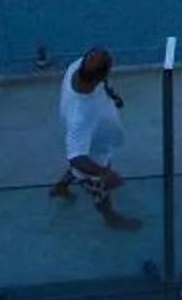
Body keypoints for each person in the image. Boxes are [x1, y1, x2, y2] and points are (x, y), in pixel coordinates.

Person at [49, 46, 139, 229]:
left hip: (95, 140)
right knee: (99, 189)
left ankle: (61, 187)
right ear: (101, 76)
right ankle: (111, 219)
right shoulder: (81, 117)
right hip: (93, 155)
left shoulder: (77, 67)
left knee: (76, 172)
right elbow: (76, 157)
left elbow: (102, 84)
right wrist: (106, 173)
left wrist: (112, 95)